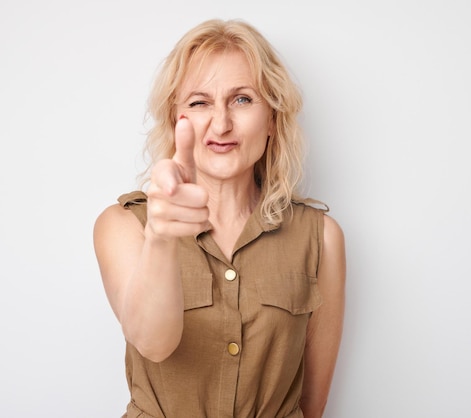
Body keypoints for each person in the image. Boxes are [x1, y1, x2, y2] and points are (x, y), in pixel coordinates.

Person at [93, 18, 346, 418]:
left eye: (242, 99)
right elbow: (153, 343)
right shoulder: (125, 226)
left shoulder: (322, 238)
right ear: (176, 120)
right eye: (199, 102)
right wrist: (160, 239)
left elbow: (311, 404)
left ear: (273, 119)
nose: (222, 123)